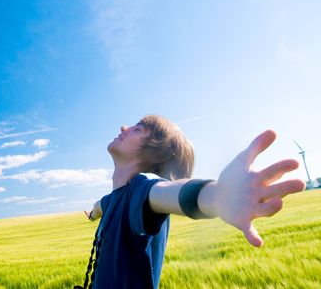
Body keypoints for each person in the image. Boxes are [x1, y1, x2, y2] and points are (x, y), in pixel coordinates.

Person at [77, 115, 305, 289]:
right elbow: (101, 205)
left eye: (137, 129)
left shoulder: (142, 188)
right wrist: (93, 214)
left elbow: (171, 192)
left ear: (155, 151)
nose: (124, 128)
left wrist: (217, 195)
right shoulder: (114, 199)